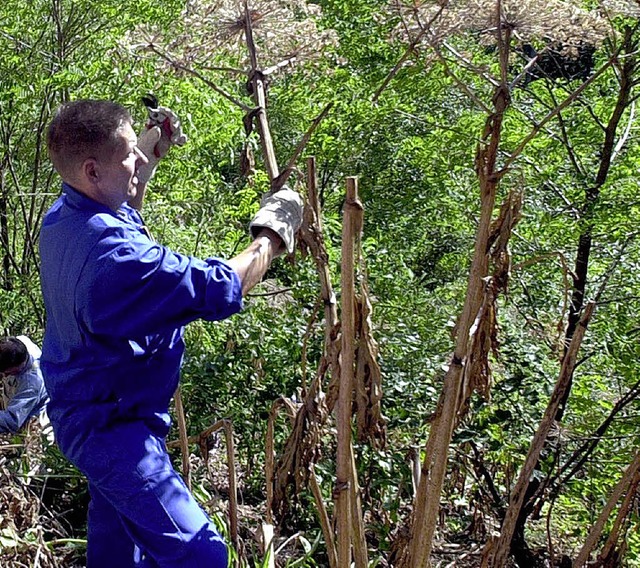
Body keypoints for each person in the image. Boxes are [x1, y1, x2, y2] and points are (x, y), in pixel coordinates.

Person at [39, 99, 302, 567]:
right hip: (114, 429)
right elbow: (217, 287)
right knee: (200, 555)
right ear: (93, 171)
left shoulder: (64, 215)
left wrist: (149, 153)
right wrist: (271, 234)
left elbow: (121, 217)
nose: (137, 158)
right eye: (128, 153)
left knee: (117, 553)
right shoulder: (118, 263)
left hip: (87, 410)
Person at [0, 335, 48, 434]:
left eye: (9, 373)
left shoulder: (31, 384)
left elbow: (12, 421)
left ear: (20, 365)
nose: (5, 375)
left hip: (35, 426)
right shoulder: (19, 343)